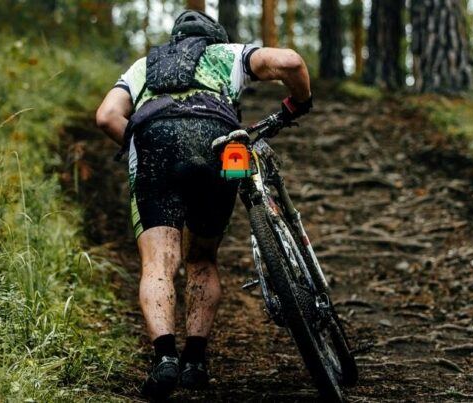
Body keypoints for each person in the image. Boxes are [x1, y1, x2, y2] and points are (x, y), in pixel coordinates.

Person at [95, 10, 312, 399]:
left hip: (155, 141)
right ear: (215, 38)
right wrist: (300, 102)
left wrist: (141, 149)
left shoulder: (143, 66)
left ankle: (165, 359)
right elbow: (291, 62)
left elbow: (107, 116)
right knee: (202, 259)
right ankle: (195, 361)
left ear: (175, 39)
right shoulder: (228, 54)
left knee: (159, 261)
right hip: (218, 140)